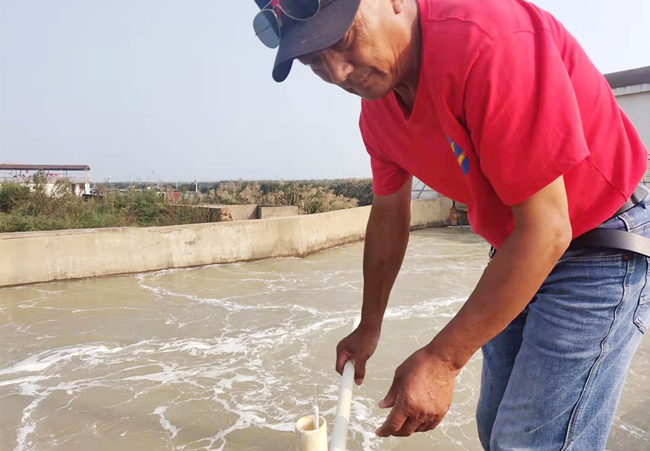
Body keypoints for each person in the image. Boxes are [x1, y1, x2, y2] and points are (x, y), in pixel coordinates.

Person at [252, 0, 650, 449]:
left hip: (600, 239)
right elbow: (389, 214)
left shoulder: (488, 41)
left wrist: (443, 360)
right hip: (517, 246)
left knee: (527, 442)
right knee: (495, 426)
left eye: (343, 39)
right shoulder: (378, 108)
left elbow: (547, 229)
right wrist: (369, 325)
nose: (339, 72)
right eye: (313, 61)